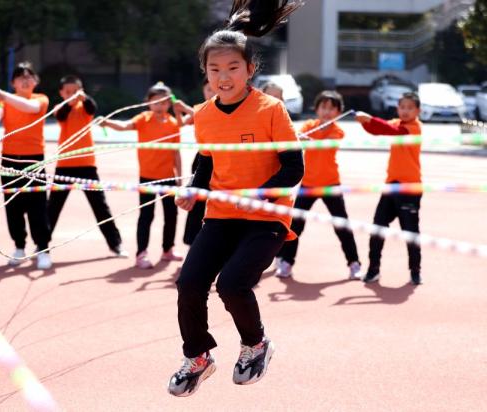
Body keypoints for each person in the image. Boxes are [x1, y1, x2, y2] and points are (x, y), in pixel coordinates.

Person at [167, 0, 304, 397]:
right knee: (189, 283)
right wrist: (194, 187)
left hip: (266, 218)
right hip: (221, 215)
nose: (223, 77)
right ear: (205, 72)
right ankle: (198, 356)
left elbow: (294, 169)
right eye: (215, 69)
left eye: (232, 68)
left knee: (231, 284)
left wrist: (258, 196)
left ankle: (256, 345)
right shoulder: (204, 115)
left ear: (250, 69)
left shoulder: (270, 109)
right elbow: (205, 162)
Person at [273, 91, 361, 279]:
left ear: (338, 112)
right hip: (308, 184)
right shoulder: (308, 125)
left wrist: (308, 140)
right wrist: (299, 138)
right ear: (317, 109)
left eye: (332, 108)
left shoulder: (338, 131)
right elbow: (297, 142)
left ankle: (354, 263)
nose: (327, 112)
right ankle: (287, 262)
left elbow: (324, 145)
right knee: (295, 225)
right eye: (324, 107)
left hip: (330, 185)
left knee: (341, 225)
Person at [101, 82, 182, 269]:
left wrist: (180, 176)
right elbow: (124, 126)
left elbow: (176, 152)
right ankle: (141, 253)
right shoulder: (143, 119)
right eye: (156, 102)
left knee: (171, 214)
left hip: (168, 177)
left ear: (169, 103)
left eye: (163, 102)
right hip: (147, 178)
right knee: (146, 215)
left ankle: (167, 249)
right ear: (148, 103)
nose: (160, 106)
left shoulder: (173, 124)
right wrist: (107, 122)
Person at [47, 75, 127, 257]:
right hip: (65, 165)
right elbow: (61, 115)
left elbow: (93, 108)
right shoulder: (60, 108)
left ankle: (116, 244)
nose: (72, 95)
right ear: (61, 93)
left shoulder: (85, 107)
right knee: (52, 208)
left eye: (76, 91)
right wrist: (70, 101)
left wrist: (84, 98)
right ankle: (42, 244)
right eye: (68, 92)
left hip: (87, 165)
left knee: (100, 206)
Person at [0, 61, 52, 270]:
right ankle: (19, 247)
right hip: (9, 160)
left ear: (36, 81)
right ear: (13, 82)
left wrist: (4, 96)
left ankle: (42, 248)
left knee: (38, 207)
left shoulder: (40, 99)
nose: (25, 80)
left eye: (29, 76)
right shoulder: (4, 102)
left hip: (34, 160)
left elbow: (30, 108)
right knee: (13, 206)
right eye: (20, 77)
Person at [355, 91, 423, 285]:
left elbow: (392, 132)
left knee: (410, 232)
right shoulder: (396, 123)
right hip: (391, 186)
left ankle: (415, 271)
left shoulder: (414, 128)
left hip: (410, 188)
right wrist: (364, 122)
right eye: (402, 107)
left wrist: (371, 119)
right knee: (377, 228)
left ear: (418, 111)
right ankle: (373, 269)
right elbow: (378, 130)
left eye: (410, 108)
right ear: (397, 109)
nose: (406, 111)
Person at [172, 78, 216, 246]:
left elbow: (205, 117)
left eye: (214, 89)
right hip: (202, 159)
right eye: (208, 90)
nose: (211, 93)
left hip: (223, 159)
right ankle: (191, 241)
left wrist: (185, 109)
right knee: (195, 201)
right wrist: (177, 111)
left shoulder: (219, 109)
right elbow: (180, 124)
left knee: (218, 202)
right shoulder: (200, 108)